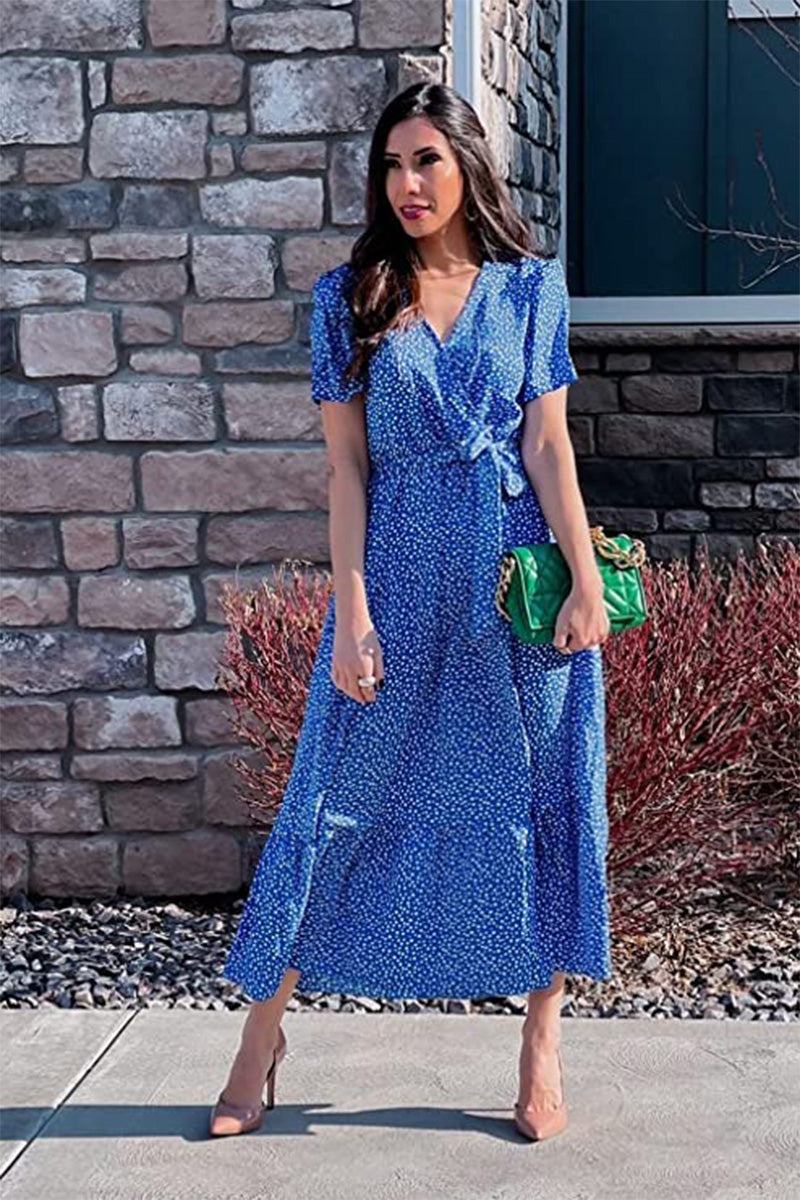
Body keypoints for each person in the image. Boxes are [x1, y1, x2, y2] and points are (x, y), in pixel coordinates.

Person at [209, 82, 612, 1142]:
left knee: (540, 795)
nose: (407, 184)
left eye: (426, 160)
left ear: (467, 166)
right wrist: (349, 609)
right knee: (331, 793)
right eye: (391, 166)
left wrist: (580, 577)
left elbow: (546, 445)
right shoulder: (349, 294)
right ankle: (261, 1040)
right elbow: (347, 469)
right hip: (395, 575)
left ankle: (539, 1046)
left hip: (512, 582)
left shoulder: (530, 290)